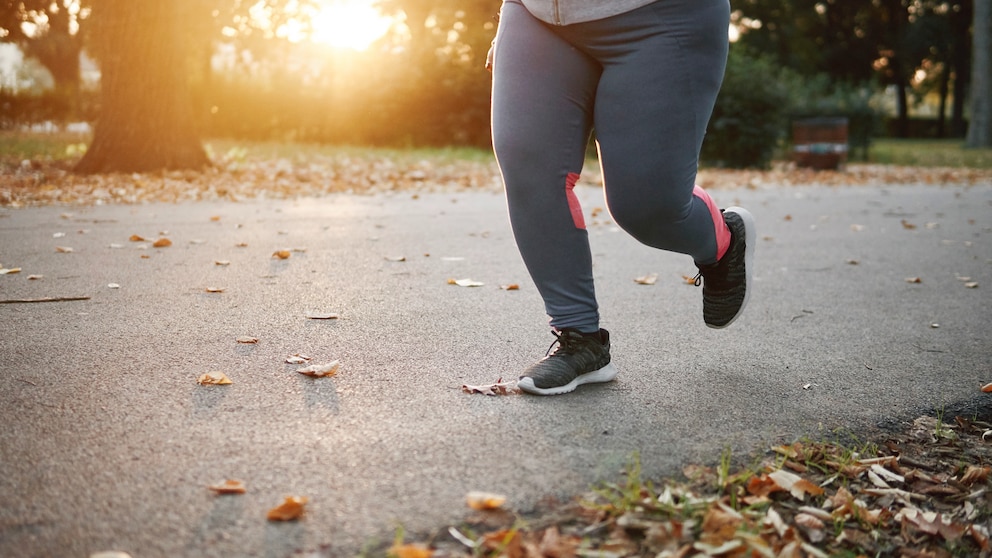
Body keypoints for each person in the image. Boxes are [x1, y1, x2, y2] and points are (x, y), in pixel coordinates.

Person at [487, 0, 756, 396]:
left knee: (646, 206)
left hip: (665, 16)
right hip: (539, 15)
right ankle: (580, 338)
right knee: (529, 165)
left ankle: (722, 240)